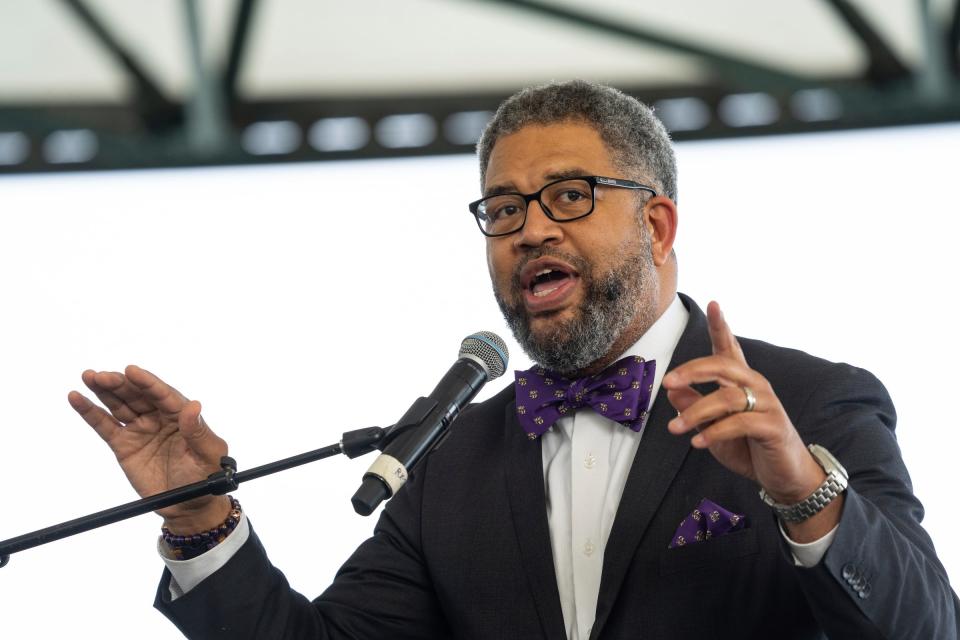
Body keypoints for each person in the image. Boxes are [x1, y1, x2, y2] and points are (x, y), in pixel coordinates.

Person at [69, 80, 959, 639]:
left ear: (656, 224)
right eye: (502, 209)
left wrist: (802, 488)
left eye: (568, 196)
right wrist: (200, 516)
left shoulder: (810, 402)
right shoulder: (450, 458)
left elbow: (923, 624)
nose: (530, 227)